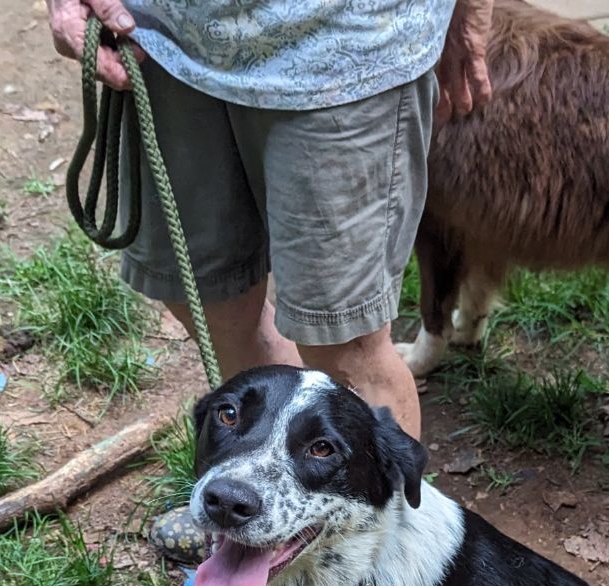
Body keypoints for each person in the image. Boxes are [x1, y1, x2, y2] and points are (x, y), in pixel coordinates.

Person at [46, 0, 493, 556]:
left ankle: (382, 562)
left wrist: (468, 12)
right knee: (207, 300)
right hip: (156, 40)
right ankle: (262, 508)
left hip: (346, 50)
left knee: (345, 343)